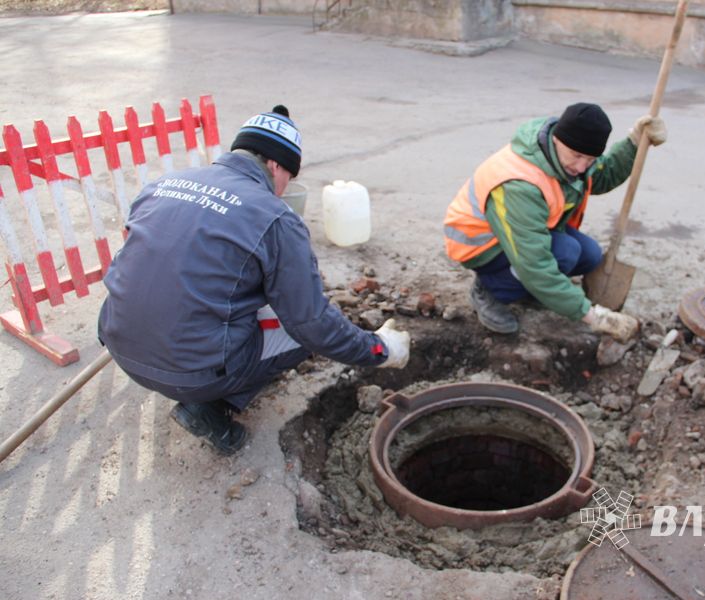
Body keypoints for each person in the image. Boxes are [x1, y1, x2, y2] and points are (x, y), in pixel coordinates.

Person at [98, 105, 410, 455]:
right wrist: (380, 349)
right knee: (298, 331)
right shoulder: (275, 217)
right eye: (288, 177)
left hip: (119, 347)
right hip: (191, 373)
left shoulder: (162, 185)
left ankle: (193, 375)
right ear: (276, 165)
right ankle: (211, 408)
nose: (283, 189)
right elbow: (312, 325)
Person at [443, 102, 667, 335]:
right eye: (577, 156)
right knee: (565, 253)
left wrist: (635, 142)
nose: (582, 167)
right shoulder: (520, 185)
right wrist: (593, 316)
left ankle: (532, 290)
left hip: (521, 231)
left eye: (590, 159)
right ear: (557, 140)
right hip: (481, 245)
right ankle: (489, 291)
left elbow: (602, 175)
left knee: (589, 255)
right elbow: (534, 265)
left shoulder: (565, 153)